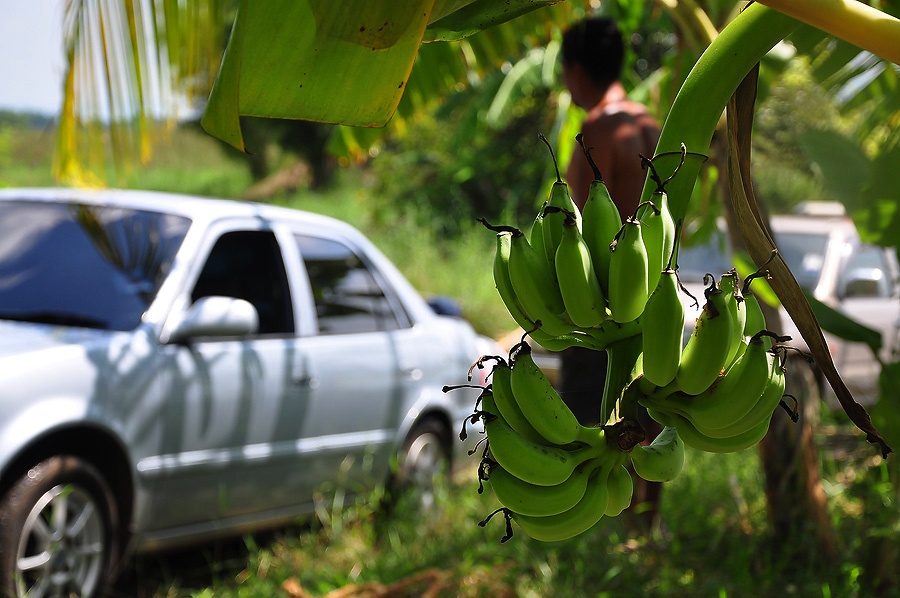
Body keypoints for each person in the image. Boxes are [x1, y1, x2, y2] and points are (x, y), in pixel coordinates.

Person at [557, 16, 664, 531]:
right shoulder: (651, 126)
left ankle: (592, 521)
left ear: (576, 70)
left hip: (602, 303)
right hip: (655, 297)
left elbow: (574, 224)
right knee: (649, 415)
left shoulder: (599, 131)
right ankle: (645, 525)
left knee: (587, 422)